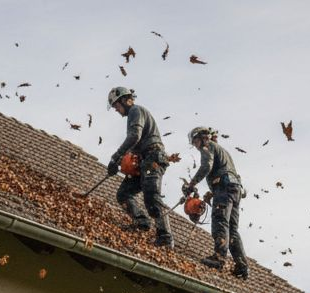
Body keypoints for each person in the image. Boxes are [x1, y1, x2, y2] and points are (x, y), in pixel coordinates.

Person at [106, 86, 173, 247]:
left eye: (116, 106)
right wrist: (122, 162)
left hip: (153, 157)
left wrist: (116, 157)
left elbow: (134, 136)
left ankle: (165, 236)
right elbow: (134, 143)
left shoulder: (135, 110)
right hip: (142, 160)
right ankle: (141, 221)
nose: (116, 110)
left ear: (124, 100)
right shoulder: (133, 114)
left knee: (151, 195)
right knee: (123, 194)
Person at [184, 126, 249, 279]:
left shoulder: (208, 147)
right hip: (234, 189)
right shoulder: (222, 150)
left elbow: (207, 166)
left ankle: (219, 258)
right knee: (232, 229)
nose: (196, 146)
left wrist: (191, 184)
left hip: (224, 188)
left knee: (220, 221)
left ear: (201, 138)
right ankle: (242, 266)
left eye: (195, 142)